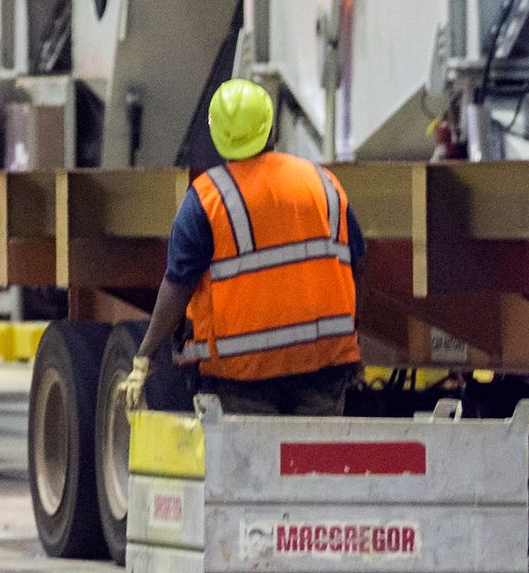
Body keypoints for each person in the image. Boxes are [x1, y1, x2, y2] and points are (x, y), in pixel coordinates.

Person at [131, 80, 365, 416]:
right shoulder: (323, 183)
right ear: (270, 127)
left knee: (251, 467)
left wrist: (145, 354)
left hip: (241, 375)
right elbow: (357, 261)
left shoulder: (207, 199)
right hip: (324, 367)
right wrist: (351, 337)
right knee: (315, 466)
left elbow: (178, 285)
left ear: (218, 136)